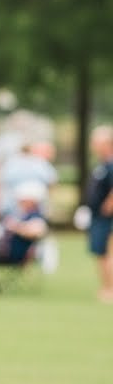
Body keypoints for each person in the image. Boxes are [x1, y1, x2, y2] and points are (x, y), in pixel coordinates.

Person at [84, 125, 113, 303]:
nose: (92, 146)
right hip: (97, 217)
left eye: (96, 142)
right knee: (100, 253)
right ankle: (106, 287)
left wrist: (109, 205)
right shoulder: (102, 165)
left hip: (107, 219)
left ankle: (110, 289)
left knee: (108, 252)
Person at [0, 181, 48, 267]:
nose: (19, 201)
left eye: (22, 199)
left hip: (13, 255)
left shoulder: (35, 215)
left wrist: (14, 226)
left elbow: (37, 231)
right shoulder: (21, 214)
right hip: (4, 251)